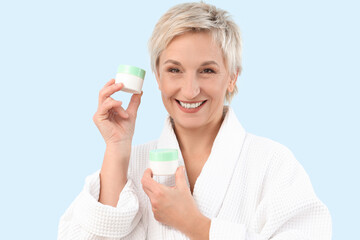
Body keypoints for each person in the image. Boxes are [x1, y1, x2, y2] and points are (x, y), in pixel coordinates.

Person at [58, 2, 332, 239]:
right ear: (157, 76)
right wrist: (117, 149)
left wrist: (194, 225)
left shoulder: (273, 163)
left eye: (207, 71)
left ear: (232, 77)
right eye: (174, 69)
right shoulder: (130, 165)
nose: (190, 90)